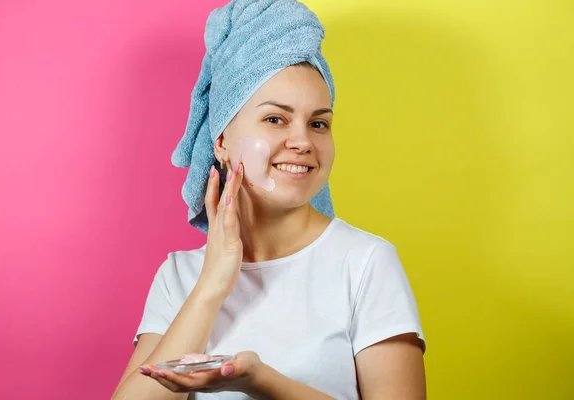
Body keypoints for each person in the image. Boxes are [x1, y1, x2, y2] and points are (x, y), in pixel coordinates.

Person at [112, 1, 426, 399]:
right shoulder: (180, 276)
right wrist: (213, 283)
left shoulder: (364, 264)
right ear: (222, 140)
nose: (302, 142)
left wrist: (259, 380)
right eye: (276, 119)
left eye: (318, 123)